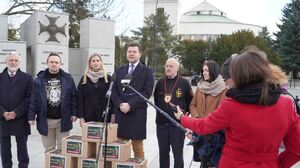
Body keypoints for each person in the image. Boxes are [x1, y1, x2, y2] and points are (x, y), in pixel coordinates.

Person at [175, 50, 300, 168]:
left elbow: (204, 125)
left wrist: (182, 117)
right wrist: (278, 164)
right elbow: (297, 149)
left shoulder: (231, 105)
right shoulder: (287, 104)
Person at [111, 43, 155, 159]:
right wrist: (120, 103)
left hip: (137, 114)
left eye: (134, 52)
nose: (131, 53)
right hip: (121, 113)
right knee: (120, 147)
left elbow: (147, 92)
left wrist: (130, 104)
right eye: (129, 51)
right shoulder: (120, 70)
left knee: (138, 148)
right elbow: (114, 89)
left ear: (140, 54)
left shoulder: (147, 71)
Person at [28, 53, 77, 153]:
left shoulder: (68, 79)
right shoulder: (39, 80)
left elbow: (74, 97)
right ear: (47, 63)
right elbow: (33, 99)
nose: (54, 64)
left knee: (63, 150)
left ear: (60, 64)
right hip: (45, 120)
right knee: (49, 150)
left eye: (56, 62)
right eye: (51, 62)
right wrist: (31, 116)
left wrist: (74, 113)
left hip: (63, 120)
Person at [154, 58, 193, 168]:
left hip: (177, 125)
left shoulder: (184, 83)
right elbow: (156, 101)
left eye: (171, 66)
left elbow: (190, 102)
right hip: (161, 125)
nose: (168, 68)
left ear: (177, 68)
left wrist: (184, 117)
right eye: (167, 66)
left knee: (178, 154)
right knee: (163, 153)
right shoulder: (160, 82)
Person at [189, 60, 227, 167]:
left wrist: (207, 123)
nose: (204, 73)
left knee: (212, 162)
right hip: (199, 130)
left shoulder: (223, 89)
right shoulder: (200, 86)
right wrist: (197, 118)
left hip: (213, 135)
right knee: (202, 160)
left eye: (207, 70)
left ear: (213, 71)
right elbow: (193, 105)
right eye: (203, 70)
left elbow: (221, 112)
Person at [0, 52, 33, 168]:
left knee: (22, 149)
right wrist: (3, 112)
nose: (13, 62)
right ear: (6, 61)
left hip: (21, 118)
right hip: (2, 119)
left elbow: (30, 98)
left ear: (19, 62)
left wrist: (16, 112)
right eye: (11, 60)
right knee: (4, 150)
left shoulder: (28, 78)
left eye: (16, 60)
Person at [77, 53, 112, 126]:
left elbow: (112, 99)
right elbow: (80, 99)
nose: (96, 63)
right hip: (88, 117)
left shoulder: (108, 78)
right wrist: (81, 117)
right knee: (89, 137)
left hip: (104, 116)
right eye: (93, 61)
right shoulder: (84, 79)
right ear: (89, 64)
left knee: (104, 137)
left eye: (98, 60)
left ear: (101, 62)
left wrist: (113, 115)